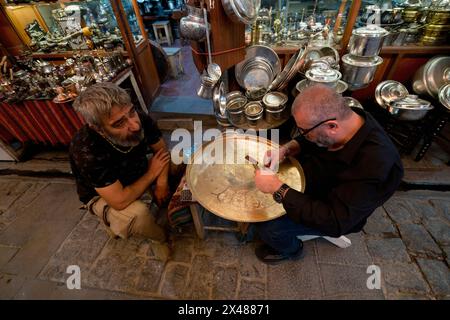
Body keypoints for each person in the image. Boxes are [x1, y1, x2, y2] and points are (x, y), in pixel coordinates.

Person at [253, 84, 404, 264]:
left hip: (331, 213)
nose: (301, 134)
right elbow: (313, 135)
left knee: (269, 230)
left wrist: (278, 189)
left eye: (304, 131)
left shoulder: (377, 163)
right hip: (316, 181)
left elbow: (335, 221)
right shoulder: (350, 116)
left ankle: (293, 250)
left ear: (332, 126)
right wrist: (286, 149)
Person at [69, 82, 173, 260]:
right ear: (98, 129)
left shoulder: (136, 118)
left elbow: (161, 151)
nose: (134, 125)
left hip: (136, 170)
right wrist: (151, 174)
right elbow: (119, 200)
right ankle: (158, 239)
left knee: (181, 160)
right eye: (119, 123)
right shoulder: (86, 150)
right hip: (104, 194)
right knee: (138, 215)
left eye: (131, 112)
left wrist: (162, 183)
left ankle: (172, 206)